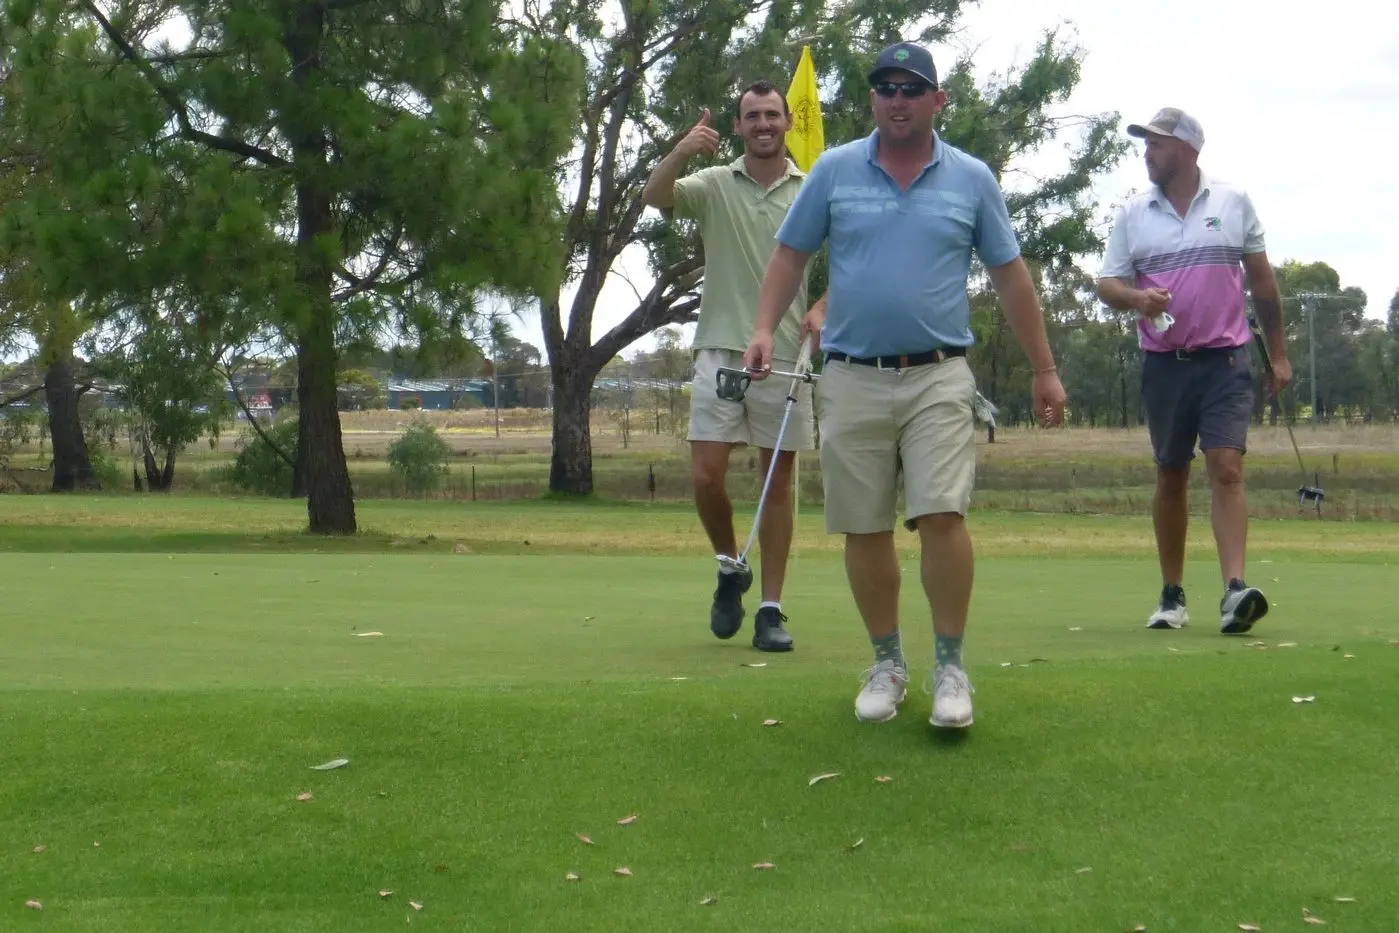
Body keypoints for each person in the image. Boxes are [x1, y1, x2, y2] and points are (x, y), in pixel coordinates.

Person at [741, 42, 1066, 728]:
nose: (896, 98)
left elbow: (1010, 276)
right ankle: (886, 662)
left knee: (941, 514)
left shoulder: (971, 178)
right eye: (885, 87)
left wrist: (1043, 367)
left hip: (939, 373)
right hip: (852, 375)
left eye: (911, 88)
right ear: (871, 100)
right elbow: (789, 254)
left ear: (936, 101)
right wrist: (765, 327)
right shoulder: (832, 172)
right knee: (863, 525)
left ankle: (950, 667)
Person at [641, 80, 821, 653]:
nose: (764, 124)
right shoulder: (715, 184)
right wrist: (681, 149)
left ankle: (771, 608)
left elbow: (855, 256)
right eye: (752, 116)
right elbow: (654, 196)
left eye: (773, 114)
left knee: (776, 483)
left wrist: (825, 305)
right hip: (719, 346)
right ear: (739, 127)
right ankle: (728, 565)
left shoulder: (813, 189)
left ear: (787, 123)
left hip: (788, 352)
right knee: (705, 477)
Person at [1097, 107, 1291, 635]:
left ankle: (1234, 591)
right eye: (1146, 144)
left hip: (1226, 359)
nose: (1147, 153)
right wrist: (1139, 298)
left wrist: (1278, 354)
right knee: (1171, 474)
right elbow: (1107, 284)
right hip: (1164, 364)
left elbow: (1263, 284)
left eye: (1156, 144)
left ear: (1187, 149)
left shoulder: (1232, 202)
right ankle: (1172, 594)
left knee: (1226, 466)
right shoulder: (1134, 213)